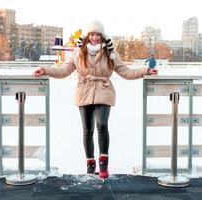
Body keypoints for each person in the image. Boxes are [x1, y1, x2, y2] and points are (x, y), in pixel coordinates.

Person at [33, 20, 158, 179]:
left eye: (98, 34)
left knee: (102, 125)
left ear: (102, 36)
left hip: (104, 90)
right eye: (92, 34)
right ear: (87, 36)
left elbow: (125, 72)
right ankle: (90, 165)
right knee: (88, 130)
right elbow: (64, 70)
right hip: (84, 91)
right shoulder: (78, 52)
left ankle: (104, 165)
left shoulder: (110, 52)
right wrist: (45, 70)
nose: (95, 37)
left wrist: (146, 70)